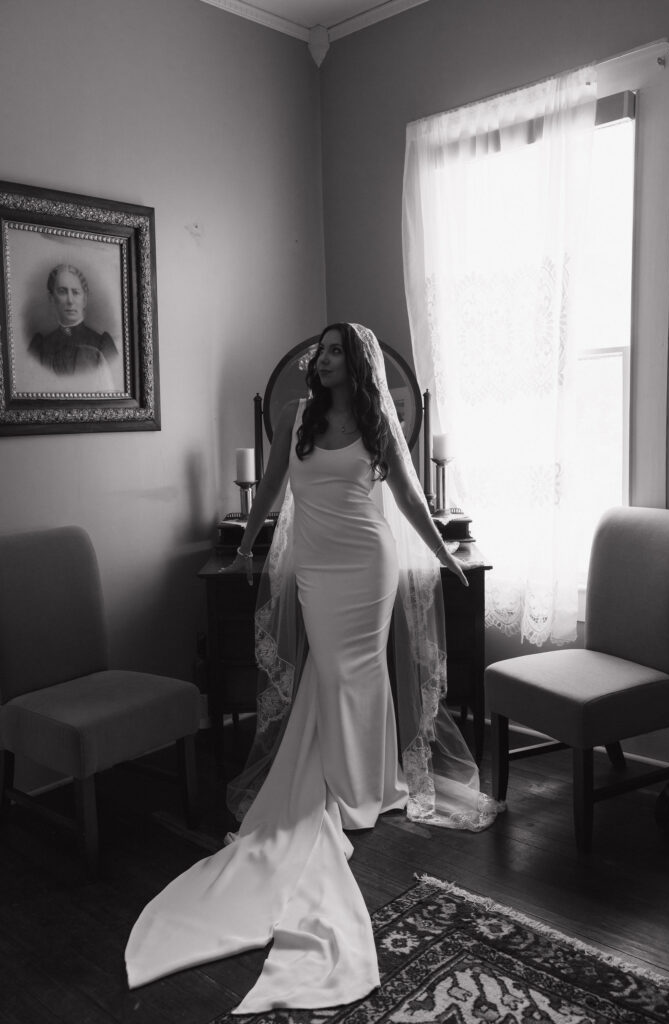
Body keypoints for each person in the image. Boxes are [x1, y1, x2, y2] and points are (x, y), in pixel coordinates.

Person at [125, 324, 500, 1013]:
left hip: (368, 562)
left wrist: (444, 557)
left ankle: (367, 782)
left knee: (359, 674)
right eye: (318, 352)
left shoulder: (377, 422)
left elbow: (412, 499)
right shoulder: (298, 417)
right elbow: (269, 490)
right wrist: (245, 554)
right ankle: (340, 781)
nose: (320, 360)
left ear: (352, 363)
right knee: (330, 673)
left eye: (332, 352)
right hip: (316, 569)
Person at [28, 264, 117, 377]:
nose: (70, 301)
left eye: (75, 292)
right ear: (52, 299)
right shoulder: (40, 348)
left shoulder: (102, 345)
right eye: (62, 291)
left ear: (84, 299)